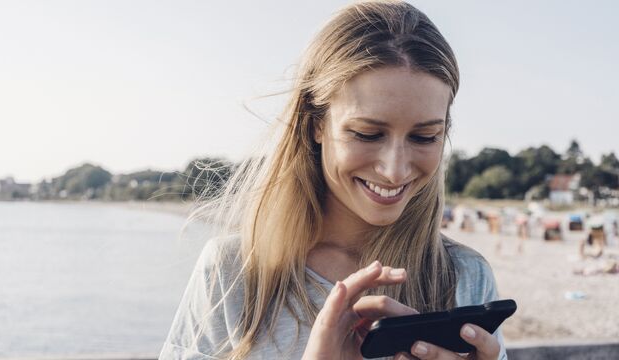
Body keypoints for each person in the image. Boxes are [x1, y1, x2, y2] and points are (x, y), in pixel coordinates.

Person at [160, 1, 508, 359]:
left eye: (424, 137)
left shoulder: (465, 275)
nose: (395, 170)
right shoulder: (233, 271)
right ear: (315, 124)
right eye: (367, 134)